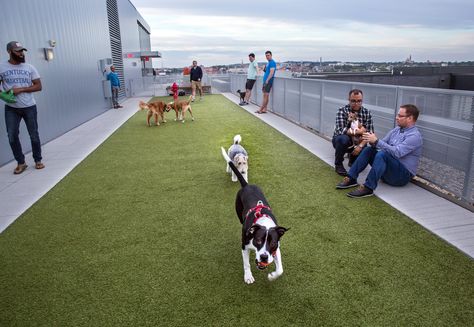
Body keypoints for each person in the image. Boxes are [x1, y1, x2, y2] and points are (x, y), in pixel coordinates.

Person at [336, 104, 423, 198]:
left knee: (382, 154)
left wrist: (377, 141)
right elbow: (381, 144)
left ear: (410, 118)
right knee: (369, 150)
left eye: (400, 116)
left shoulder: (414, 136)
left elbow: (397, 153)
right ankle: (351, 178)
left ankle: (368, 188)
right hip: (388, 171)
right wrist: (370, 140)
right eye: (397, 115)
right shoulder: (397, 130)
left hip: (401, 176)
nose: (396, 118)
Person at [0, 41, 45, 174]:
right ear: (9, 52)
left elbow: (38, 86)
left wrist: (22, 89)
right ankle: (21, 162)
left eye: (22, 51)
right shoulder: (1, 67)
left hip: (29, 106)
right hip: (11, 108)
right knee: (12, 136)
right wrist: (3, 95)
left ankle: (38, 160)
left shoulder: (29, 67)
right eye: (18, 51)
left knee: (34, 135)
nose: (21, 53)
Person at [332, 89, 374, 176]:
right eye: (353, 101)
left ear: (362, 100)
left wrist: (360, 146)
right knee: (343, 139)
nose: (356, 103)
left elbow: (370, 133)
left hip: (359, 141)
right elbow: (341, 130)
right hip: (343, 140)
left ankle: (353, 157)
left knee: (358, 164)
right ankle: (338, 164)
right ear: (349, 100)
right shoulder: (342, 110)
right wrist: (360, 131)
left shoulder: (367, 112)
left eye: (359, 101)